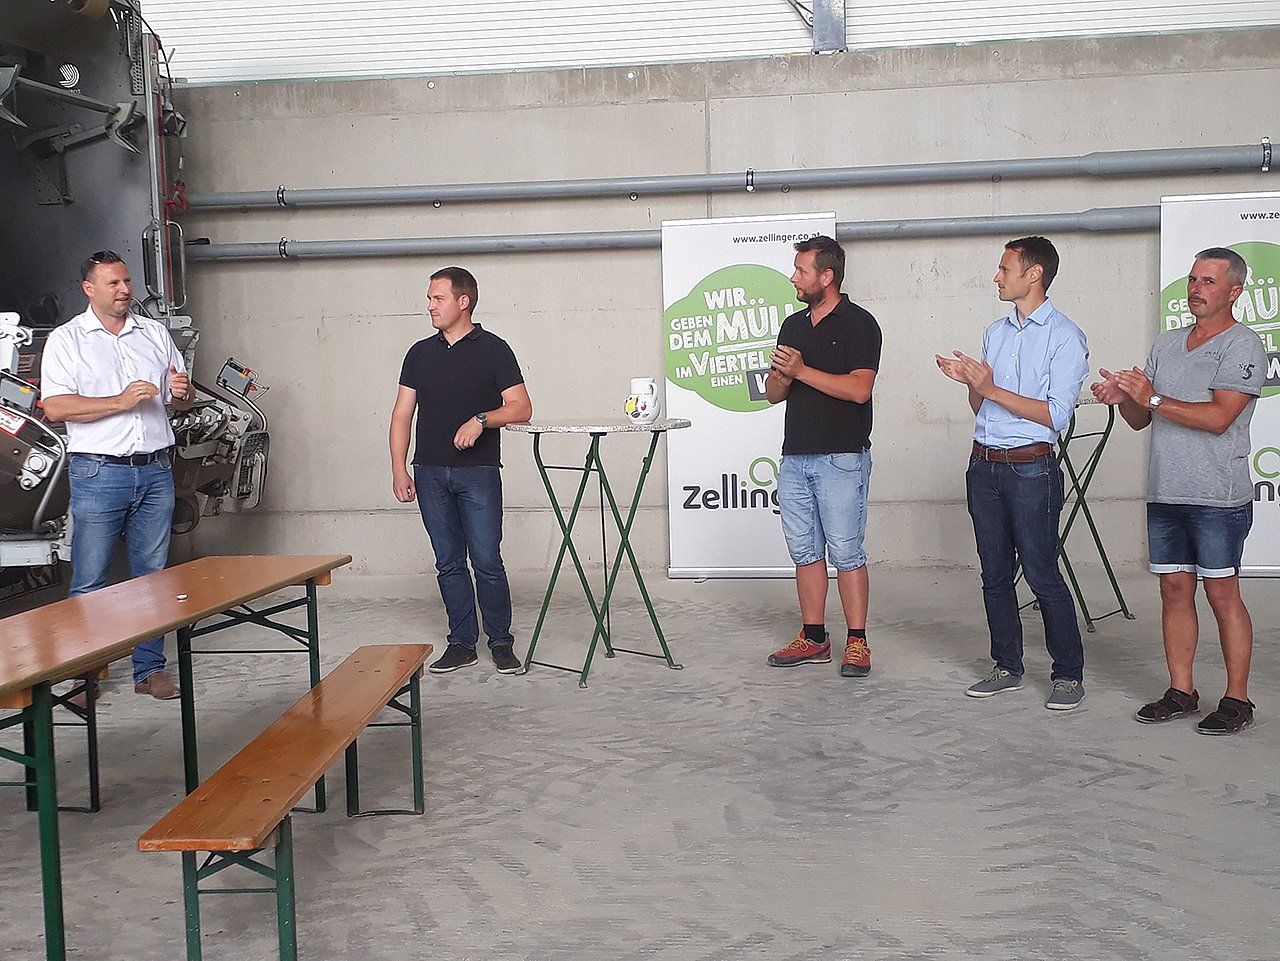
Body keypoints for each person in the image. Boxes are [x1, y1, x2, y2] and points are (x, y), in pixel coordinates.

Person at [1091, 247, 1265, 735]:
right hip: (1166, 491)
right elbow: (1141, 419)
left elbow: (1219, 418)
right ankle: (1181, 690)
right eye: (1192, 280)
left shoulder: (1243, 346)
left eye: (1208, 281)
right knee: (1173, 590)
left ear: (1234, 290)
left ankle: (1237, 699)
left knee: (1222, 594)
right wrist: (1125, 398)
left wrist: (1153, 397)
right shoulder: (1166, 344)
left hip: (1217, 496)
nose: (1196, 289)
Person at [936, 236, 1089, 710]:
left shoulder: (1065, 336)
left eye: (1005, 269)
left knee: (1043, 574)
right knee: (994, 574)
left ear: (1034, 274)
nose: (996, 277)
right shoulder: (995, 333)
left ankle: (1068, 676)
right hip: (984, 466)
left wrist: (991, 388)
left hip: (1031, 471)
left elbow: (1056, 415)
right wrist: (972, 385)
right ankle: (1007, 667)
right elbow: (980, 404)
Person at [40, 250, 193, 699]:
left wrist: (180, 393)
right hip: (98, 472)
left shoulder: (154, 334)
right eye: (113, 283)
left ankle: (149, 670)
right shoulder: (68, 339)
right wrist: (119, 401)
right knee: (90, 579)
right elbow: (55, 407)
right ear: (89, 289)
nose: (124, 290)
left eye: (126, 281)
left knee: (153, 576)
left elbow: (177, 397)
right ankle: (86, 674)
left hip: (155, 470)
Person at [390, 266, 532, 675]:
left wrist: (481, 420)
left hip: (478, 473)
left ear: (462, 301)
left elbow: (521, 408)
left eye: (438, 298)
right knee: (448, 561)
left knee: (487, 560)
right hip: (430, 473)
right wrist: (400, 470)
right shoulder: (419, 353)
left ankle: (501, 642)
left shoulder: (494, 349)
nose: (430, 305)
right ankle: (461, 642)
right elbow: (402, 415)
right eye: (430, 298)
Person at [764, 236, 881, 678]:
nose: (794, 278)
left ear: (826, 277)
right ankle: (814, 638)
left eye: (801, 271)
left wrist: (801, 371)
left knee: (847, 551)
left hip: (842, 457)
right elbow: (776, 394)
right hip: (795, 457)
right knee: (805, 551)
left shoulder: (859, 324)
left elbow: (859, 389)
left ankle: (857, 643)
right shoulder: (793, 326)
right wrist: (779, 377)